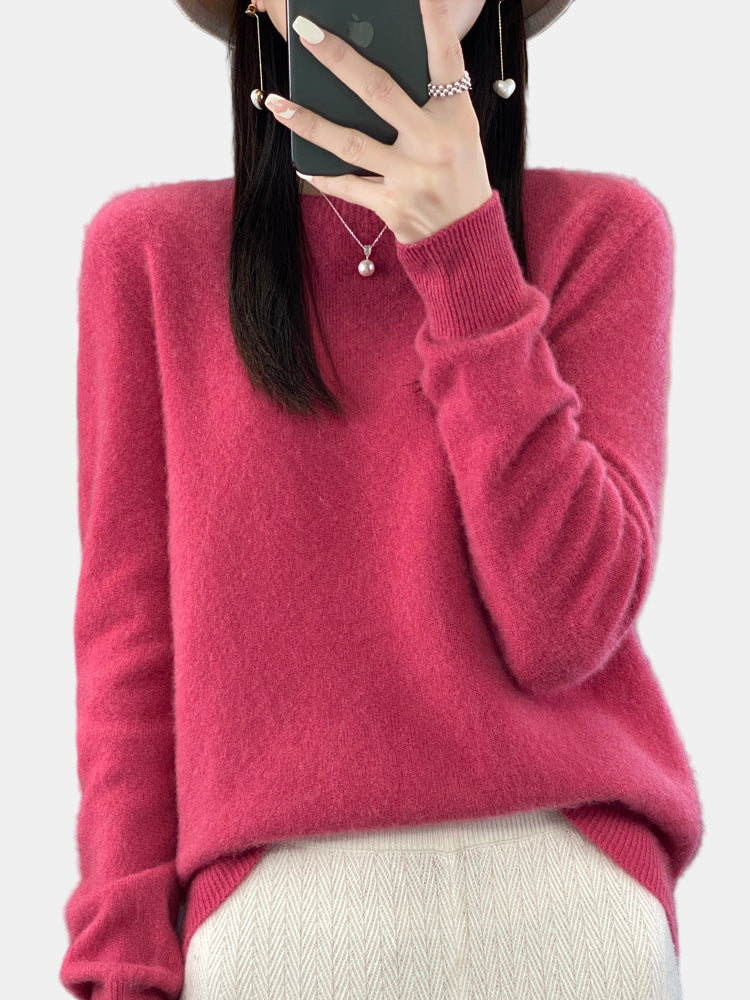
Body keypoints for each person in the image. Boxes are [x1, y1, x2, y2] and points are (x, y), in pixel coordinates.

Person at [59, 2, 704, 998]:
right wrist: (121, 960)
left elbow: (566, 625)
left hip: (571, 901)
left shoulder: (605, 231)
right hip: (279, 922)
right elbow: (130, 643)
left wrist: (464, 248)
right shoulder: (148, 253)